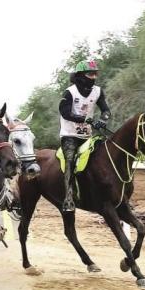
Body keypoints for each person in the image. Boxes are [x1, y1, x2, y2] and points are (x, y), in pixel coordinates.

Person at [58, 59, 111, 212]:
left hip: (87, 136)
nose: (94, 77)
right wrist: (85, 119)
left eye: (95, 74)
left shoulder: (98, 92)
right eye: (90, 74)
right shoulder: (69, 92)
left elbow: (105, 110)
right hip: (70, 135)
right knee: (70, 160)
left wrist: (103, 120)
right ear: (80, 75)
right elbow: (65, 112)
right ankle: (68, 198)